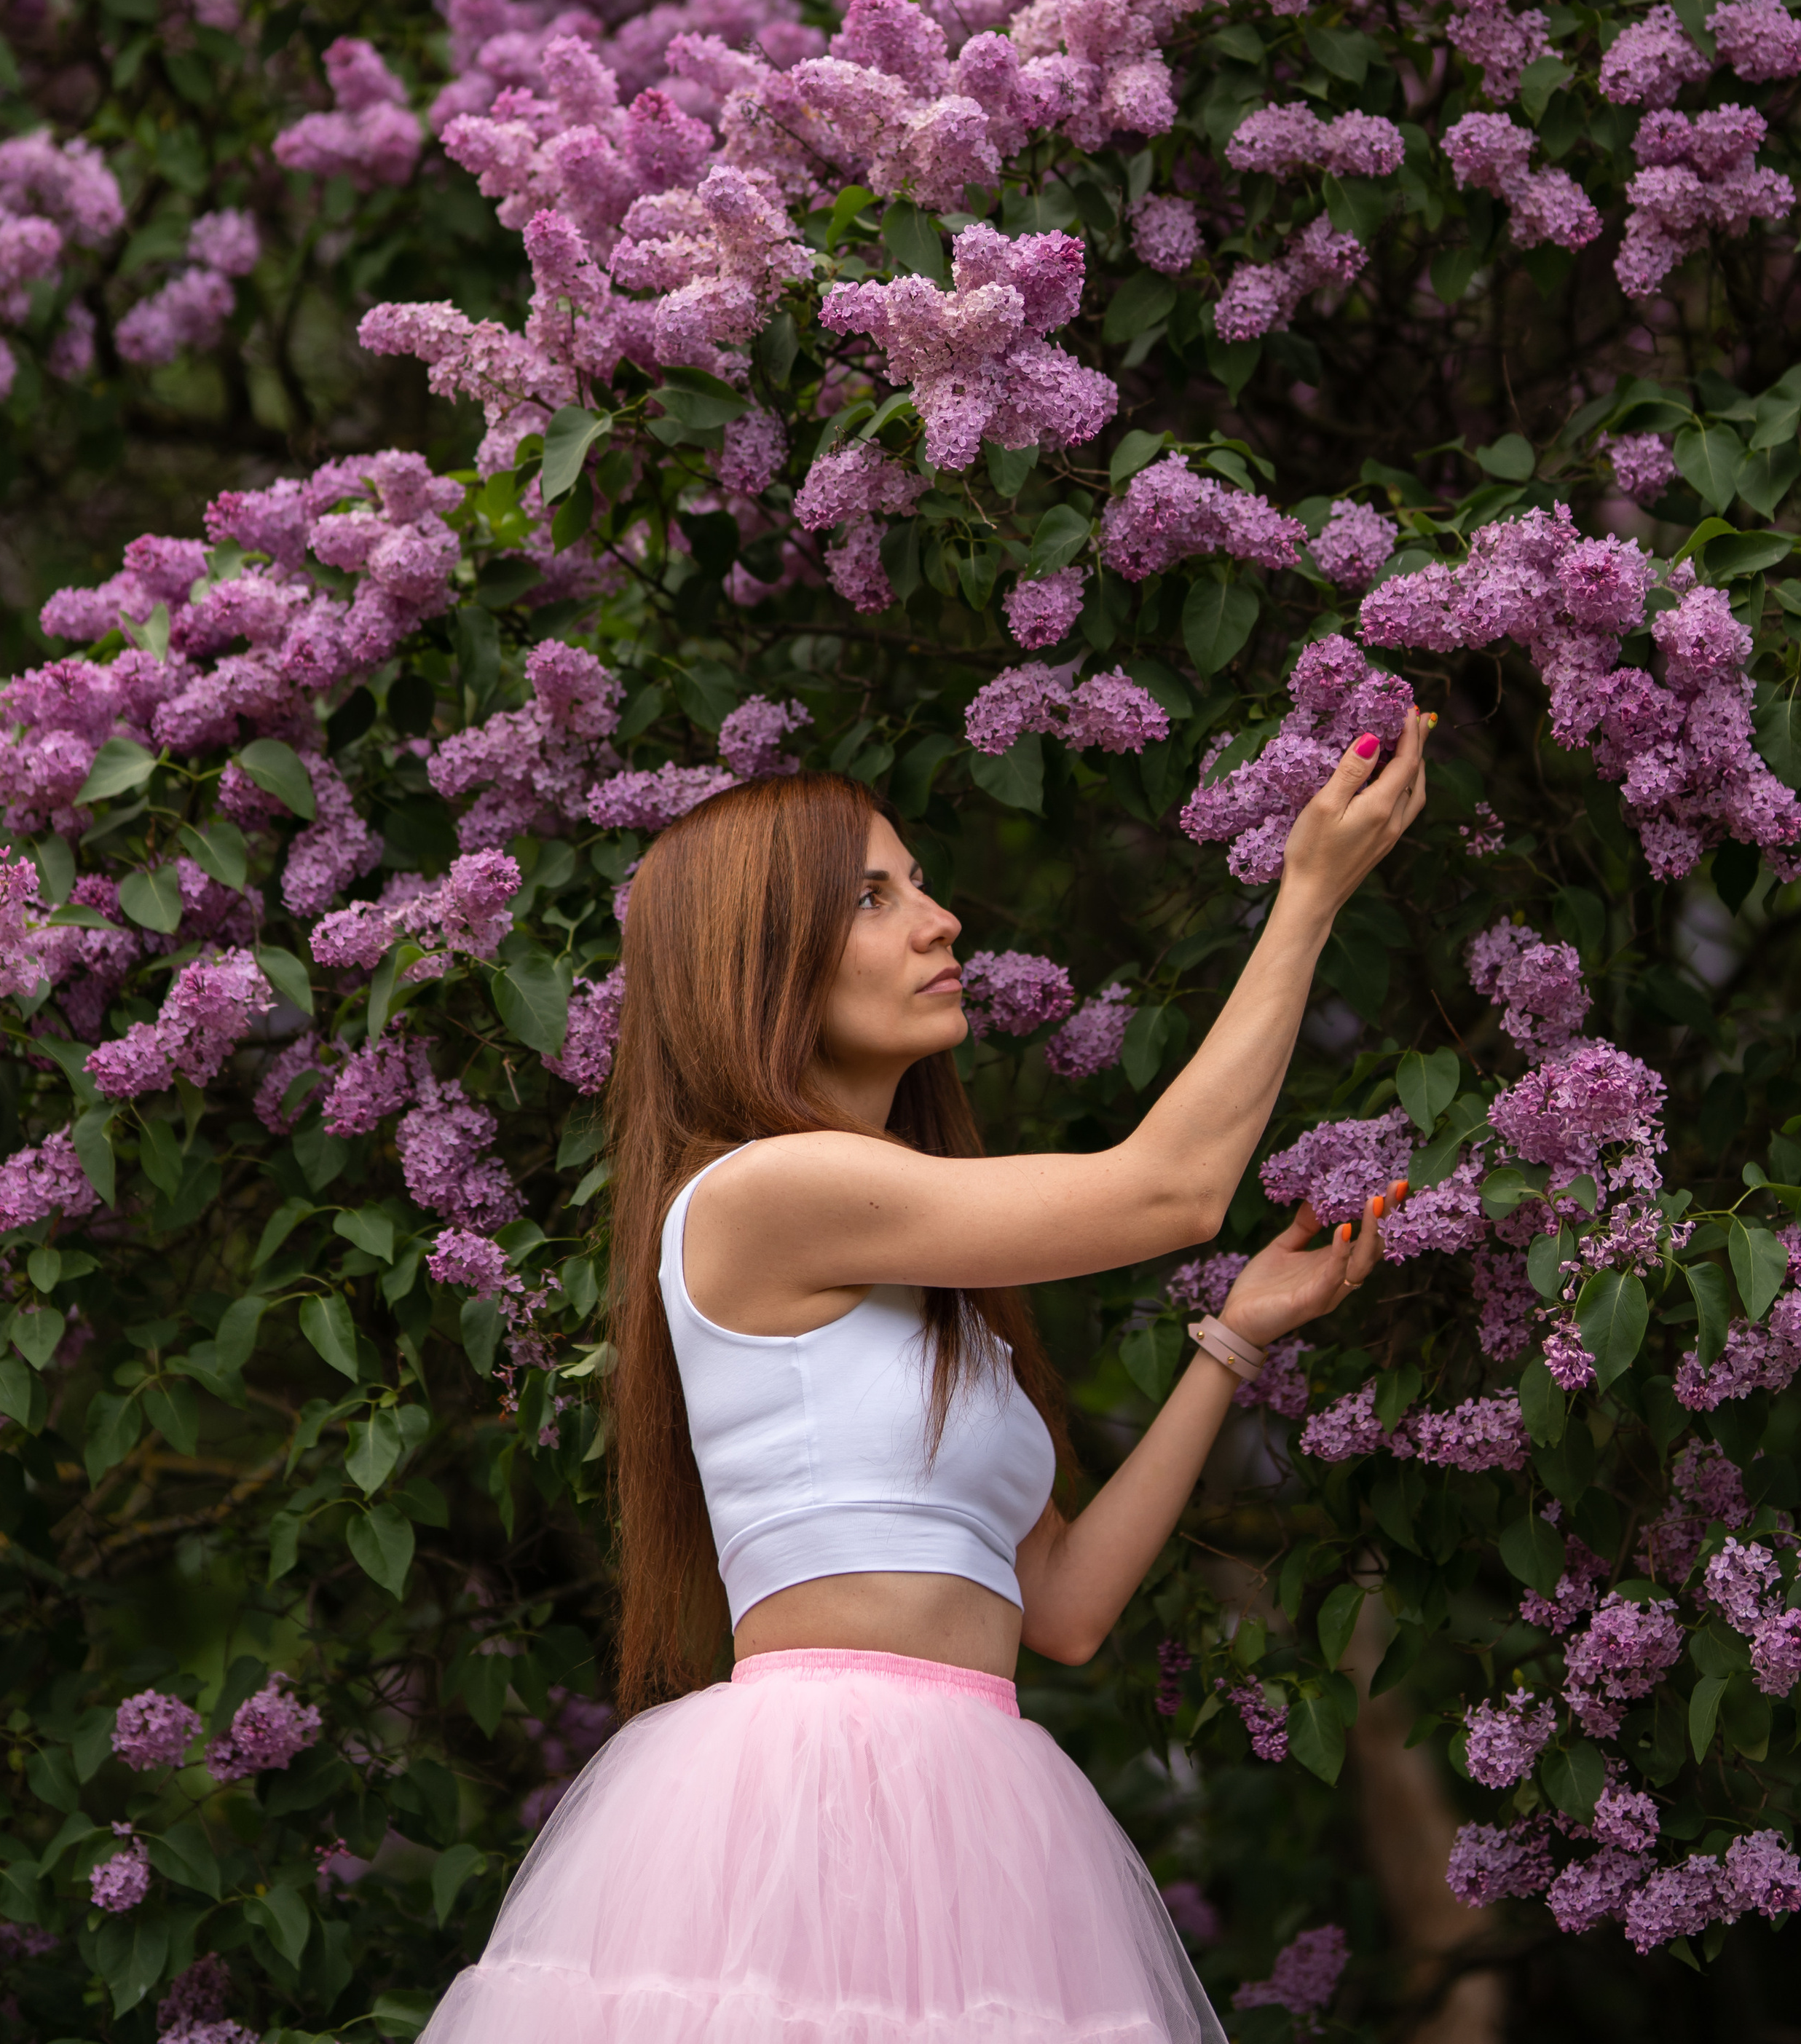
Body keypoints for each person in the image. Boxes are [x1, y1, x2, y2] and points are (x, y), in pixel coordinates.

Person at [422, 712, 1429, 2043]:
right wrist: (1308, 895)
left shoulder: (922, 1290)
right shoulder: (767, 1191)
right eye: (872, 896)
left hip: (977, 1785)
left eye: (920, 884)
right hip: (815, 1804)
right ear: (757, 957)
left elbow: (1062, 1608)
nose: (943, 921)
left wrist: (1233, 1343)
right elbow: (1175, 1189)